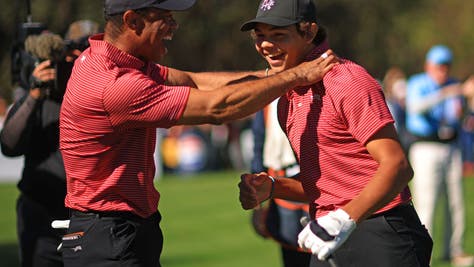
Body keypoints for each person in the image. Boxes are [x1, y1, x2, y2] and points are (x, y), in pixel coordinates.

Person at [57, 0, 338, 266]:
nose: (174, 24)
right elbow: (218, 108)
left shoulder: (114, 59)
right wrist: (297, 76)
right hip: (108, 235)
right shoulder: (117, 85)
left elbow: (197, 82)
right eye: (165, 17)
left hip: (115, 229)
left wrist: (275, 75)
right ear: (132, 20)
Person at [237, 0, 433, 266]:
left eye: (278, 35)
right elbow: (323, 185)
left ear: (309, 32)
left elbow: (397, 166)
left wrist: (343, 218)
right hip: (329, 233)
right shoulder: (287, 98)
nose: (266, 45)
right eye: (260, 36)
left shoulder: (346, 80)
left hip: (380, 230)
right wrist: (273, 187)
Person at [0, 23, 98, 267]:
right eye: (69, 53)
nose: (76, 60)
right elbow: (9, 146)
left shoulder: (100, 92)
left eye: (85, 51)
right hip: (41, 213)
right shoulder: (40, 91)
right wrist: (35, 93)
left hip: (89, 217)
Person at [405, 44, 474, 267]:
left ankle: (455, 250)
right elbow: (416, 108)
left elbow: (461, 115)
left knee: (456, 202)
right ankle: (426, 255)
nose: (442, 70)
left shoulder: (455, 85)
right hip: (426, 147)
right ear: (428, 66)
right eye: (438, 66)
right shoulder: (418, 83)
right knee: (428, 202)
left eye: (446, 66)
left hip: (451, 146)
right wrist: (446, 93)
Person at [250, 98, 311, 267]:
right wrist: (258, 206)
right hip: (283, 185)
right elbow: (259, 149)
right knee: (292, 252)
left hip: (321, 186)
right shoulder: (269, 102)